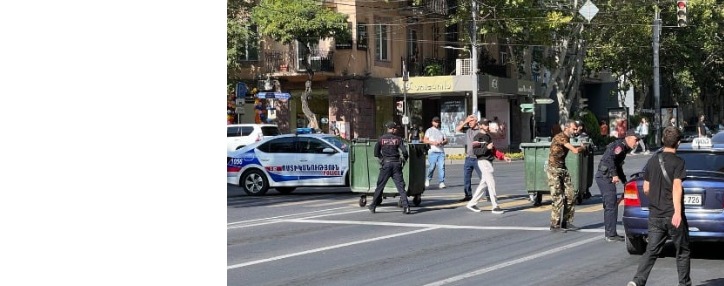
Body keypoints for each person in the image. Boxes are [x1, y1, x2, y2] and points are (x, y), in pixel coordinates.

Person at [627, 126, 690, 286]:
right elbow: (677, 188)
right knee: (682, 251)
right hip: (672, 215)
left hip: (655, 215)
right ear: (678, 143)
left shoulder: (652, 160)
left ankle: (638, 281)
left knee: (652, 250)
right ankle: (684, 284)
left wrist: (656, 199)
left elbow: (646, 188)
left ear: (663, 140)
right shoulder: (678, 162)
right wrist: (677, 212)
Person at [595, 129, 641, 242]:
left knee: (611, 205)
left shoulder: (624, 148)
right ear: (629, 137)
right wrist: (614, 175)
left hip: (607, 176)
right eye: (636, 140)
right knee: (611, 204)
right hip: (605, 177)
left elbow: (618, 166)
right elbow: (610, 159)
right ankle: (610, 234)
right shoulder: (619, 146)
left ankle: (610, 232)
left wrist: (625, 181)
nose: (637, 143)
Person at [547, 120, 586, 232]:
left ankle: (566, 222)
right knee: (558, 197)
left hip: (562, 168)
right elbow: (574, 150)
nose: (575, 131)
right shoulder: (560, 137)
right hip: (554, 169)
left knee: (571, 195)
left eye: (576, 129)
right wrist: (582, 147)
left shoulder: (567, 138)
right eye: (573, 129)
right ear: (566, 128)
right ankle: (555, 224)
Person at [466, 118, 511, 214]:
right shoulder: (477, 137)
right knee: (491, 183)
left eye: (488, 124)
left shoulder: (488, 137)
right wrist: (486, 147)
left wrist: (503, 157)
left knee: (484, 184)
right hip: (483, 161)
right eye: (486, 124)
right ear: (481, 125)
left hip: (489, 162)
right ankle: (495, 206)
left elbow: (493, 150)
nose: (488, 126)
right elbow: (476, 151)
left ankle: (472, 203)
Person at [368, 121, 411, 215]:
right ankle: (406, 207)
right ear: (393, 129)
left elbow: (376, 153)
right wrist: (404, 160)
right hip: (396, 164)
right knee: (401, 187)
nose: (396, 130)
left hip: (386, 164)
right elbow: (405, 152)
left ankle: (373, 206)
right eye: (395, 128)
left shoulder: (381, 139)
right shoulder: (398, 139)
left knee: (380, 186)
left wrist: (382, 159)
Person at [456, 114, 484, 202]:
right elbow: (457, 130)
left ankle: (487, 195)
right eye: (469, 121)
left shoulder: (480, 131)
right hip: (468, 158)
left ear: (476, 121)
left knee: (483, 177)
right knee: (466, 177)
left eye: (472, 121)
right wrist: (465, 121)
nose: (470, 122)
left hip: (478, 158)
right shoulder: (467, 130)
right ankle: (468, 195)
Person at [423, 116, 448, 189]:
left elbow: (446, 140)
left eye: (438, 122)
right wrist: (433, 142)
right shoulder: (429, 130)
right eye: (435, 122)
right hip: (432, 151)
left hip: (441, 152)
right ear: (432, 122)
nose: (437, 123)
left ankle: (441, 182)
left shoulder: (442, 130)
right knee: (432, 167)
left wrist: (443, 142)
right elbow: (425, 140)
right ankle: (428, 178)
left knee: (441, 167)